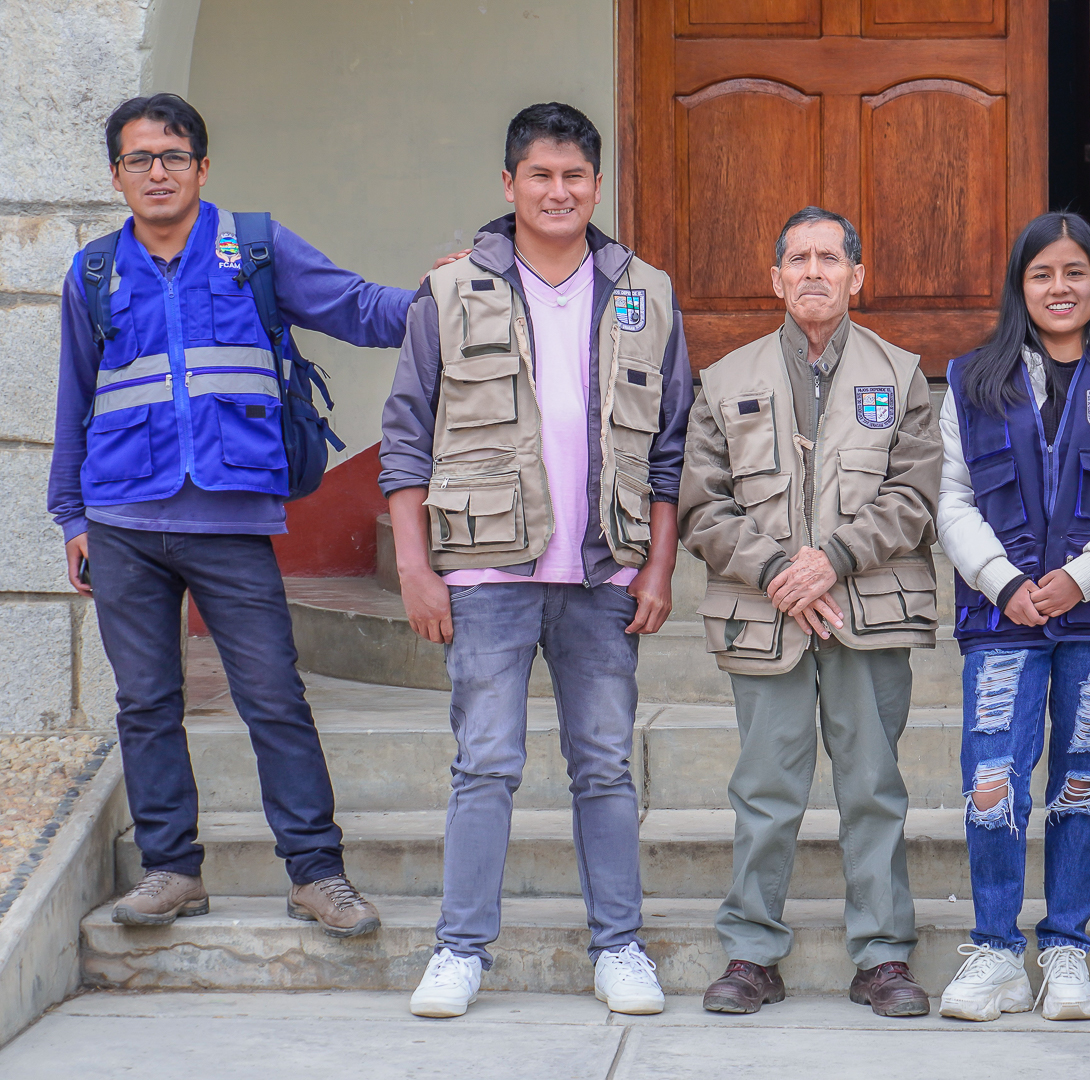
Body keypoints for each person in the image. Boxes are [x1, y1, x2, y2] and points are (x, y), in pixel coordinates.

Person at [47, 94, 411, 937]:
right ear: (117, 176)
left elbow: (356, 306)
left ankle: (316, 874)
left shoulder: (252, 247)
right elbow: (76, 400)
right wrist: (71, 515)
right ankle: (173, 871)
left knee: (274, 697)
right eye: (140, 159)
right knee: (145, 702)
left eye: (174, 156)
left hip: (229, 518)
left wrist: (446, 294)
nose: (158, 172)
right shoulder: (93, 273)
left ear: (203, 168)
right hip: (122, 520)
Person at [379, 102, 690, 1019]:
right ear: (508, 183)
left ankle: (620, 947)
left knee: (603, 763)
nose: (559, 192)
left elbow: (670, 449)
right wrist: (414, 567)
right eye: (540, 176)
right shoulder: (447, 292)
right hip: (484, 575)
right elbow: (404, 440)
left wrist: (660, 567)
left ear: (598, 186)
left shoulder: (647, 292)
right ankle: (459, 948)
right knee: (485, 762)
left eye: (576, 177)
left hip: (603, 577)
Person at [679, 206, 940, 1017]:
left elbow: (915, 494)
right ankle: (753, 952)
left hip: (868, 611)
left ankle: (883, 955)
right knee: (764, 788)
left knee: (873, 786)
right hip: (768, 617)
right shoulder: (726, 380)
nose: (816, 271)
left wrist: (834, 560)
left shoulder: (901, 375)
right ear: (777, 278)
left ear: (858, 276)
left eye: (833, 258)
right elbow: (700, 506)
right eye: (800, 259)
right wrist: (779, 572)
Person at [933, 213, 1090, 1022]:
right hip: (1001, 618)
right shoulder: (972, 379)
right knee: (992, 779)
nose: (1060, 288)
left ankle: (1067, 949)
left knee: (1083, 782)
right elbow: (952, 497)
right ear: (1020, 286)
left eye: (1075, 272)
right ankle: (998, 952)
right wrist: (1005, 583)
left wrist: (1080, 577)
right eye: (1043, 274)